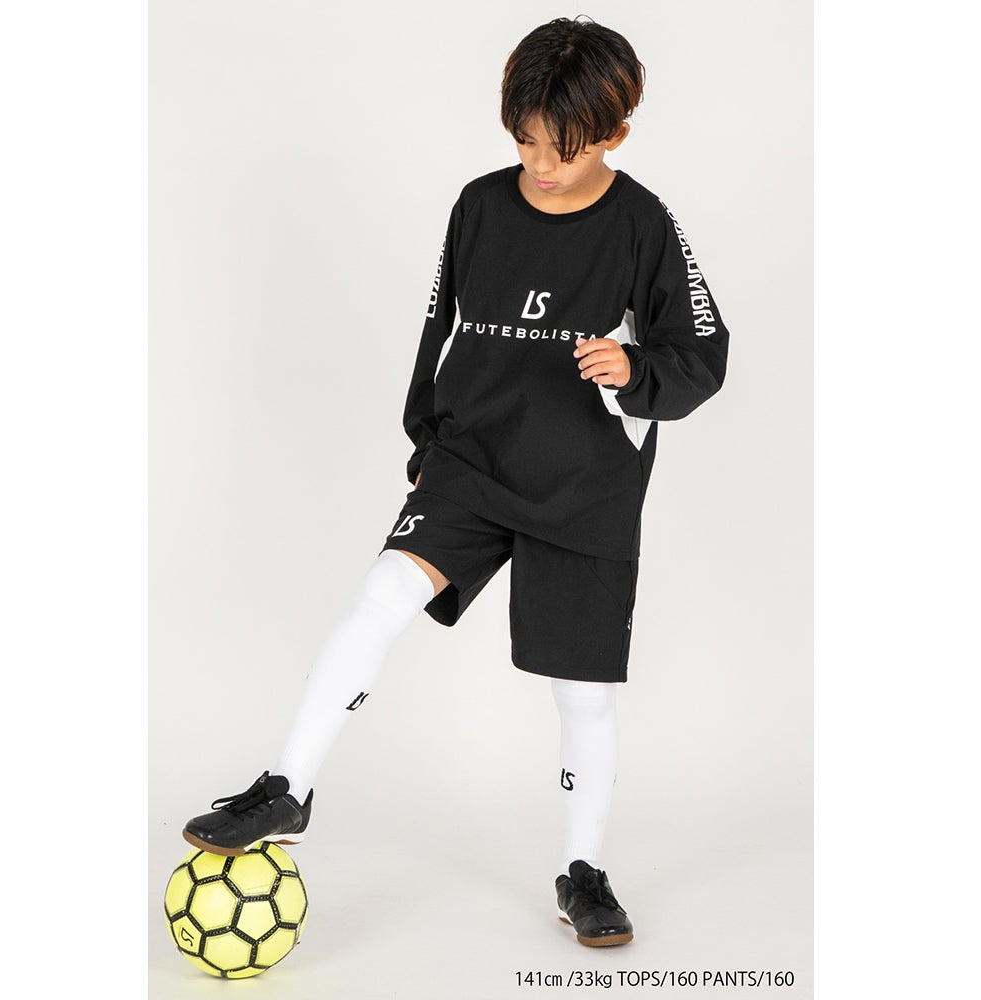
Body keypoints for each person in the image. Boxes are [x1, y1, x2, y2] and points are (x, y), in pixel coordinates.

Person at [182, 16, 730, 948]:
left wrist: (635, 371)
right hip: (471, 463)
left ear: (616, 133)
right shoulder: (478, 205)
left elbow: (703, 355)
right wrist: (428, 441)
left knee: (582, 694)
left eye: (563, 147)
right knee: (381, 593)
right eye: (525, 140)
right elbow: (442, 328)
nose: (540, 164)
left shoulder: (645, 224)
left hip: (586, 483)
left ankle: (583, 872)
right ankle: (287, 788)